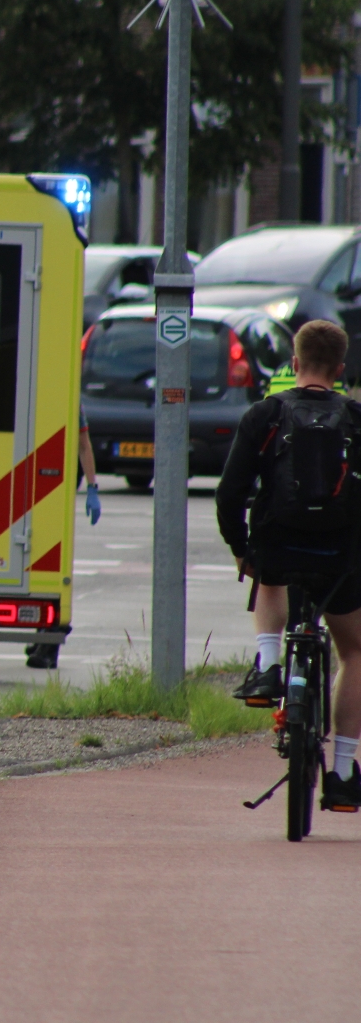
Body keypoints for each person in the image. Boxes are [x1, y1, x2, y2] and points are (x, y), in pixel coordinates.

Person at [216, 319, 361, 809]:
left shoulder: (266, 415)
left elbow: (230, 492)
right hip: (341, 556)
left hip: (278, 551)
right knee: (355, 652)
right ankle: (343, 771)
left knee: (267, 568)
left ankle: (268, 664)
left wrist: (242, 548)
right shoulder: (356, 418)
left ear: (294, 364)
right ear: (340, 370)